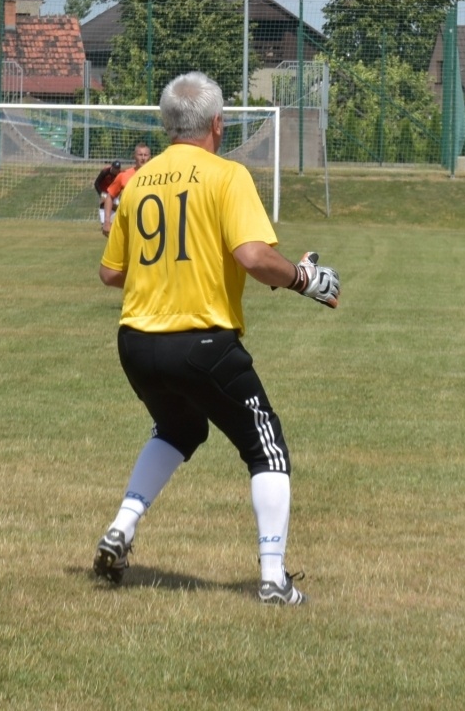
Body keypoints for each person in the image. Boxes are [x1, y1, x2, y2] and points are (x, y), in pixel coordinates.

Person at [93, 72, 340, 605]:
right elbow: (253, 258)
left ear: (167, 124)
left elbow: (111, 273)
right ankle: (273, 580)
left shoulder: (139, 182)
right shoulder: (227, 176)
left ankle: (121, 526)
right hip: (201, 341)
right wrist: (303, 280)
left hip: (136, 343)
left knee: (180, 429)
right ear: (218, 124)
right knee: (266, 449)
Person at [100, 143, 153, 235]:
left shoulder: (157, 175)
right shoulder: (123, 175)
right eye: (140, 155)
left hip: (151, 223)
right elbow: (109, 197)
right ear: (134, 156)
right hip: (128, 223)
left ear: (150, 157)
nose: (143, 158)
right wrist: (107, 221)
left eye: (146, 155)